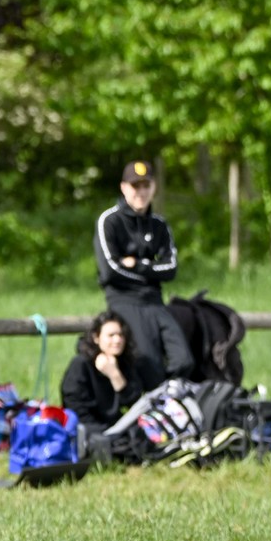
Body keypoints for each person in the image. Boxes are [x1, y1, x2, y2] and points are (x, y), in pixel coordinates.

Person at [94, 159, 192, 379]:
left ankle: (169, 401)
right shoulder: (109, 221)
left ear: (154, 187)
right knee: (149, 362)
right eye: (135, 186)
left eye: (145, 185)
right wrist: (151, 270)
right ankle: (150, 405)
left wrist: (138, 265)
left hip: (155, 301)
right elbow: (110, 271)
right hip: (124, 300)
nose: (141, 192)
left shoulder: (159, 224)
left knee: (183, 359)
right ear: (123, 187)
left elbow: (171, 269)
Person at [59, 311, 164, 433]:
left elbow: (135, 404)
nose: (117, 340)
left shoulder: (126, 362)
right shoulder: (81, 364)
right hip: (88, 429)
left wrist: (114, 374)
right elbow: (74, 403)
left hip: (120, 427)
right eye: (111, 335)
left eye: (121, 335)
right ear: (96, 338)